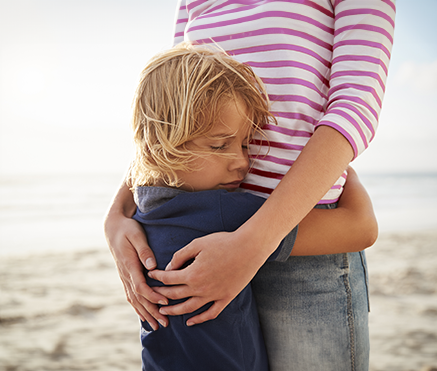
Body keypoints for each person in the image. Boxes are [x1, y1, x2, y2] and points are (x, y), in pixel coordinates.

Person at [104, 1, 395, 370]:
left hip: (303, 235)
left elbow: (356, 102)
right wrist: (116, 214)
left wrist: (252, 243)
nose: (242, 160)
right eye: (221, 145)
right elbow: (170, 106)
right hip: (215, 215)